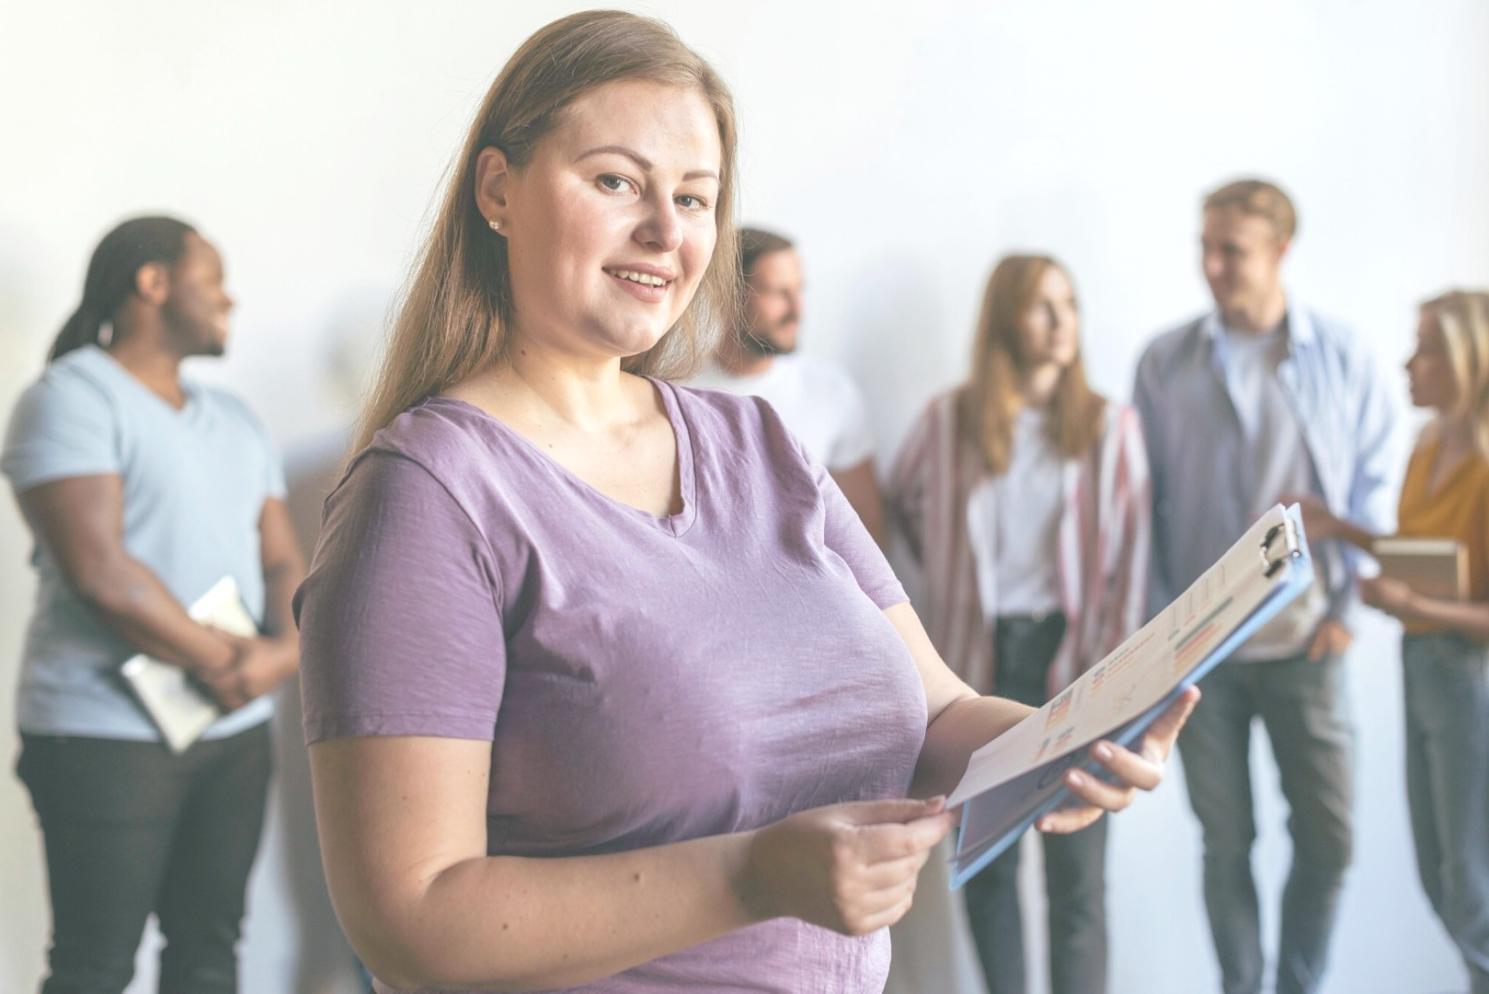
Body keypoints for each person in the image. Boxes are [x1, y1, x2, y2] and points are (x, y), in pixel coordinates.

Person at [293, 11, 1196, 994]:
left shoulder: (758, 444)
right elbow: (409, 919)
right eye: (614, 181)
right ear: (498, 189)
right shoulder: (427, 496)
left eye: (693, 198)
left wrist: (1064, 740)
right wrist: (751, 872)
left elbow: (938, 709)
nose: (664, 232)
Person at [1, 216, 304, 994]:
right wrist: (233, 664)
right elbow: (104, 574)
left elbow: (281, 556)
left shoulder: (235, 419)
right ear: (153, 283)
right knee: (94, 967)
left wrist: (279, 656)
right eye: (213, 278)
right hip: (103, 734)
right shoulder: (68, 399)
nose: (229, 298)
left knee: (208, 954)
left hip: (232, 733)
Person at [1133, 179, 1396, 994]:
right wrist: (1156, 641)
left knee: (1329, 838)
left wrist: (1349, 612)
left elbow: (1370, 490)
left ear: (1280, 250)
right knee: (1225, 841)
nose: (1212, 265)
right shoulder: (1164, 361)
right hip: (1202, 654)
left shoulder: (1341, 356)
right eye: (1204, 246)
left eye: (1232, 250)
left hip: (1305, 639)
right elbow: (1142, 505)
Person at [887, 254, 1150, 994]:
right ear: (1005, 319)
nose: (1061, 322)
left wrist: (1122, 679)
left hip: (1076, 659)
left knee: (1077, 874)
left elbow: (1130, 560)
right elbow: (903, 513)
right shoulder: (948, 421)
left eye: (1068, 303)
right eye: (1041, 306)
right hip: (975, 660)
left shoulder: (1109, 425)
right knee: (989, 864)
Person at [1292, 290, 1489, 994]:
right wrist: (1341, 529)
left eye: (1427, 347)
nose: (1409, 364)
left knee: (1471, 888)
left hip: (1472, 677)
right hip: (1422, 665)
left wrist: (1413, 603)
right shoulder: (1429, 443)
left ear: (1470, 357)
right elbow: (1421, 551)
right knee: (1440, 877)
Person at [689, 227, 884, 541]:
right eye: (779, 293)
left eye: (799, 291)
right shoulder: (673, 388)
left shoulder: (830, 391)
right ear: (729, 294)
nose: (797, 310)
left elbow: (865, 526)